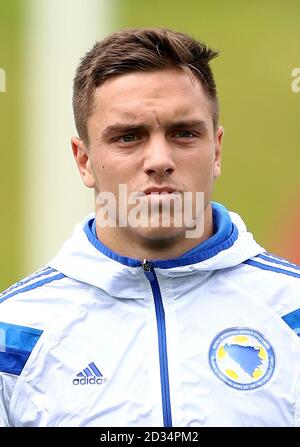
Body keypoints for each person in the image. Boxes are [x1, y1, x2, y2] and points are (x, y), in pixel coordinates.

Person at [1, 28, 300, 428]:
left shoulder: (291, 310)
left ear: (216, 150)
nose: (159, 160)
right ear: (84, 160)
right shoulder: (15, 331)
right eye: (128, 137)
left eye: (183, 133)